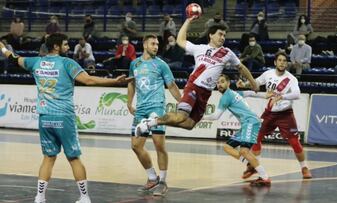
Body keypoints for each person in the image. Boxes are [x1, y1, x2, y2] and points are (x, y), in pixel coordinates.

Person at [0, 33, 133, 203]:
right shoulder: (67, 63)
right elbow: (89, 80)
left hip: (45, 118)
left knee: (48, 158)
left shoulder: (35, 62)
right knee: (73, 157)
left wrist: (2, 47)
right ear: (56, 46)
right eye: (65, 44)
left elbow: (13, 57)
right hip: (64, 117)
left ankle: (39, 197)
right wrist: (115, 82)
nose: (68, 47)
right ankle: (84, 197)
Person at [135, 16, 258, 136]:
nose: (223, 37)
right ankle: (150, 123)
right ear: (211, 35)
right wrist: (188, 20)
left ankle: (155, 120)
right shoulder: (199, 48)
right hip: (193, 86)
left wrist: (253, 83)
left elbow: (241, 67)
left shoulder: (227, 53)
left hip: (206, 93)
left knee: (189, 125)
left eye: (224, 35)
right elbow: (180, 41)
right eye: (220, 34)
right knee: (181, 116)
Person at [236, 52, 312, 180]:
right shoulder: (268, 74)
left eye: (284, 61)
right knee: (256, 137)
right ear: (275, 62)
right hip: (270, 113)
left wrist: (282, 96)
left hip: (285, 114)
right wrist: (245, 85)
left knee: (294, 142)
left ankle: (304, 167)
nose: (282, 62)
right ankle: (255, 167)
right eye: (280, 60)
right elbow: (257, 83)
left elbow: (297, 94)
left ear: (286, 64)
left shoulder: (291, 79)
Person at [127, 34, 182, 196]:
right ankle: (152, 177)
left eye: (157, 44)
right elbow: (131, 83)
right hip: (141, 109)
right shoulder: (134, 63)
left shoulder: (161, 65)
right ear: (144, 45)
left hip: (156, 108)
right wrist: (129, 103)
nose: (156, 47)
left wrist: (183, 103)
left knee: (159, 145)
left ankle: (163, 181)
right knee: (136, 146)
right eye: (153, 44)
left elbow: (171, 85)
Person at [202, 74, 271, 186]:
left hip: (251, 122)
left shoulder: (226, 97)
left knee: (244, 151)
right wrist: (265, 95)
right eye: (218, 82)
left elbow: (215, 116)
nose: (219, 84)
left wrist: (201, 118)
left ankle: (265, 177)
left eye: (222, 81)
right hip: (246, 124)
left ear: (228, 83)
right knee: (227, 147)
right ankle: (250, 165)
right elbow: (249, 93)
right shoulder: (234, 93)